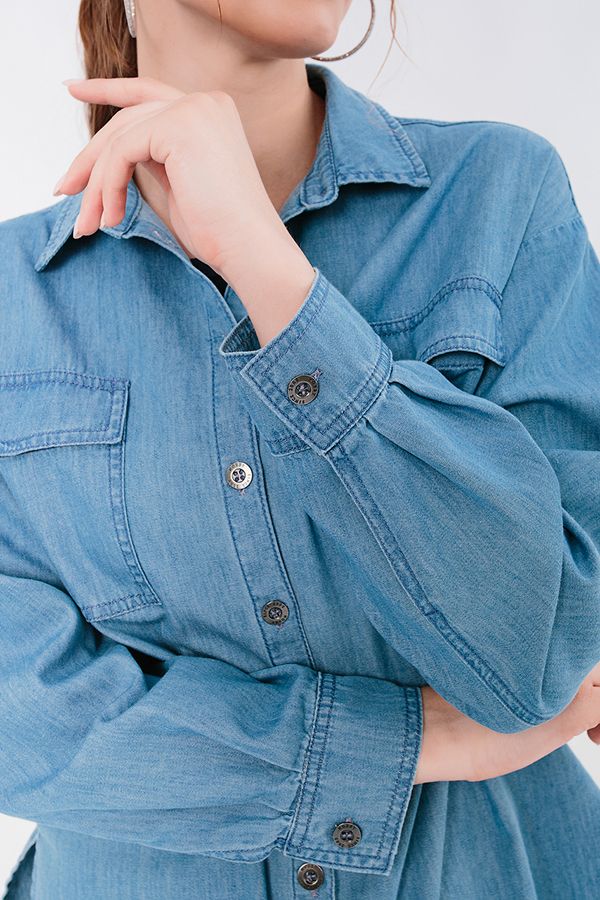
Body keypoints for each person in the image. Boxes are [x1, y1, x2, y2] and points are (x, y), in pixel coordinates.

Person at [1, 1, 599, 898]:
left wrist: (267, 267)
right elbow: (22, 722)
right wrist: (416, 743)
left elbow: (548, 647)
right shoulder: (14, 297)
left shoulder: (499, 195)